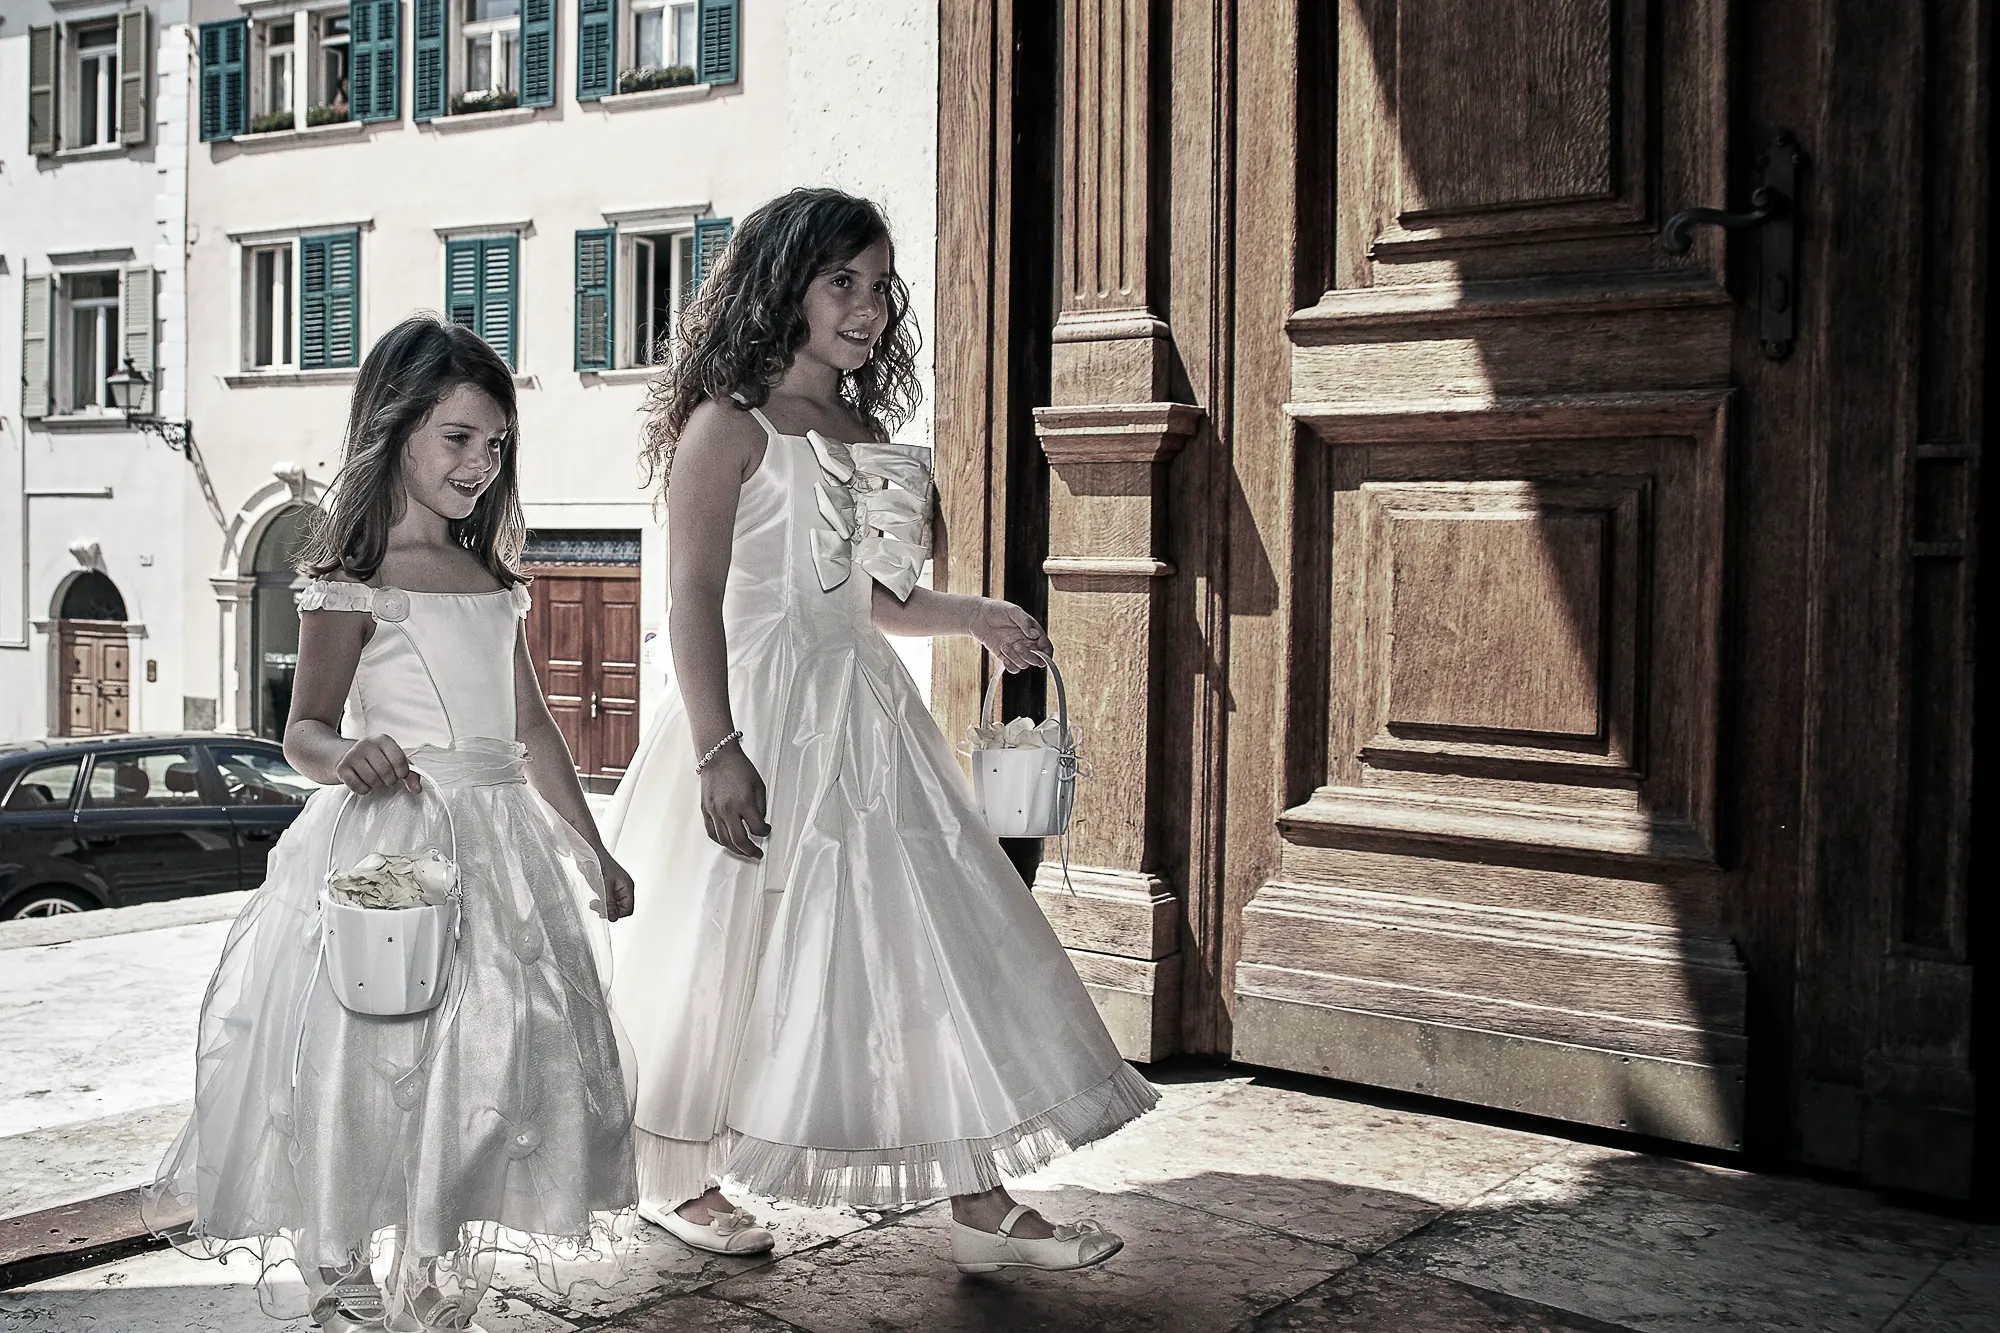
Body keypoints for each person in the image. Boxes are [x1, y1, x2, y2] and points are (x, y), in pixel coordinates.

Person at [604, 188, 1157, 1274]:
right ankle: (675, 1176)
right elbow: (691, 600)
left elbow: (869, 599)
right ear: (782, 289)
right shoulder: (728, 424)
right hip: (754, 715)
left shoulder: (863, 433)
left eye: (875, 285)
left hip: (861, 714)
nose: (863, 308)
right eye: (839, 283)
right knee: (718, 946)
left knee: (922, 940)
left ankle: (978, 1197)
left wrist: (977, 617)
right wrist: (719, 750)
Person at [142, 315, 638, 1333]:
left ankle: (431, 1249)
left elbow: (534, 727)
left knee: (486, 1056)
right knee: (375, 1055)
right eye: (457, 437)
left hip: (500, 851)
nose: (479, 462)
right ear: (396, 429)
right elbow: (304, 732)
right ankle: (339, 1255)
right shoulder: (350, 582)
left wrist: (591, 845)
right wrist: (347, 757)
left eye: (494, 443)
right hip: (396, 850)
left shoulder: (494, 581)